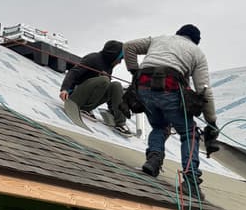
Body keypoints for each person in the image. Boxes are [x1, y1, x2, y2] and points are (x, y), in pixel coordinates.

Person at [123, 25, 219, 185]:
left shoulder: (159, 39)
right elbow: (204, 90)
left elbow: (128, 46)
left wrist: (135, 72)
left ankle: (153, 161)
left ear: (179, 33)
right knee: (189, 133)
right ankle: (191, 179)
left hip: (143, 88)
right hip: (171, 89)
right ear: (196, 41)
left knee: (160, 127)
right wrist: (212, 122)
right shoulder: (197, 53)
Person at [59, 41, 131, 133]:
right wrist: (65, 89)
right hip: (76, 97)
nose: (120, 62)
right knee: (104, 80)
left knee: (116, 85)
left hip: (90, 101)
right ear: (114, 55)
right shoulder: (93, 58)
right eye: (120, 58)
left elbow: (109, 91)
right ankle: (84, 108)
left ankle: (120, 122)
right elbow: (73, 72)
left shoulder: (109, 67)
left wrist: (113, 109)